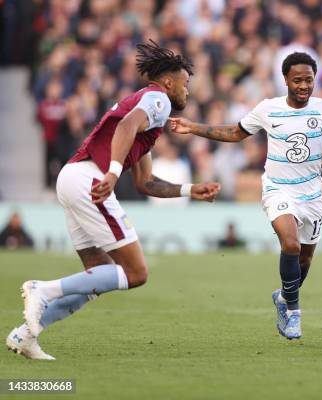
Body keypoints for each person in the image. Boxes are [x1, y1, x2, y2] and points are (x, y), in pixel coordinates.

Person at [6, 40, 221, 360]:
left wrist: (190, 190)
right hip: (91, 179)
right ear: (168, 82)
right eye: (186, 84)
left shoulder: (149, 112)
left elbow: (145, 182)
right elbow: (127, 124)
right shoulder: (157, 99)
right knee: (136, 273)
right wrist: (112, 172)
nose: (187, 92)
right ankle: (43, 289)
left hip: (73, 177)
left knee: (97, 278)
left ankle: (26, 335)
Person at [170, 52, 322, 339]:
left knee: (304, 262)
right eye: (298, 80)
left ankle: (283, 297)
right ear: (285, 80)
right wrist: (193, 127)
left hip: (312, 197)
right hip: (277, 189)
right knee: (290, 244)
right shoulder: (268, 109)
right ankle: (293, 312)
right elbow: (234, 133)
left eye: (309, 80)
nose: (304, 86)